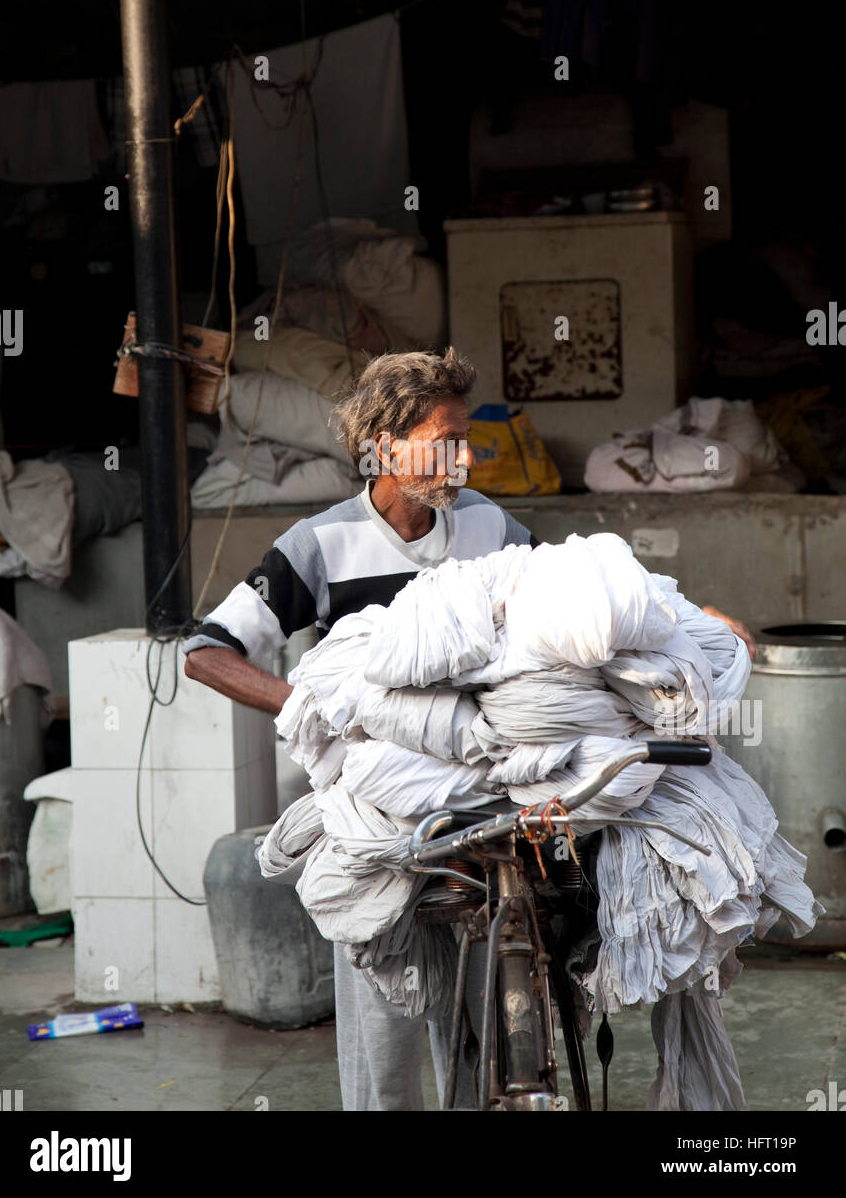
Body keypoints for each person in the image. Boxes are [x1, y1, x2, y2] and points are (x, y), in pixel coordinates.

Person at [183, 346, 756, 1110]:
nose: (464, 455)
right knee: (383, 1042)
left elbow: (571, 602)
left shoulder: (490, 524)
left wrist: (692, 619)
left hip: (483, 793)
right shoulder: (320, 545)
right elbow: (204, 651)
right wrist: (309, 704)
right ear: (383, 446)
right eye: (444, 438)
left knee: (484, 1026)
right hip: (380, 815)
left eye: (465, 437)